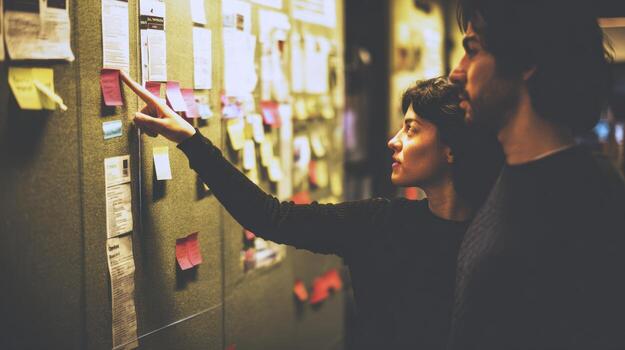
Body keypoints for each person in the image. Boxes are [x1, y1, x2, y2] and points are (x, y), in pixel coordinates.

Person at [121, 73, 502, 348]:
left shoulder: (497, 238)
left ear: (451, 148)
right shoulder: (379, 223)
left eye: (412, 129)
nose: (393, 141)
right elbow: (270, 217)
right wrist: (190, 139)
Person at [448, 1, 625, 349]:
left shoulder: (585, 213)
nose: (457, 71)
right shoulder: (512, 174)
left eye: (473, 50)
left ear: (525, 62)